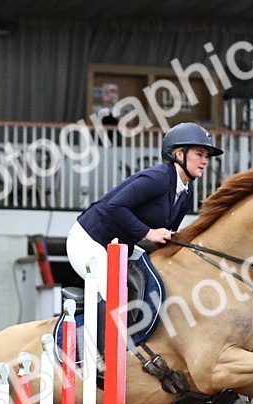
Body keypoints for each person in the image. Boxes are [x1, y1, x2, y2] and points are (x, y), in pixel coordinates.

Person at [66, 122, 223, 295]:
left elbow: (166, 236)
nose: (205, 161)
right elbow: (115, 206)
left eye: (207, 156)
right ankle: (93, 322)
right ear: (179, 154)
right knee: (112, 292)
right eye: (199, 154)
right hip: (89, 241)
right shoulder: (158, 178)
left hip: (120, 247)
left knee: (157, 274)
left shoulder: (186, 193)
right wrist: (148, 232)